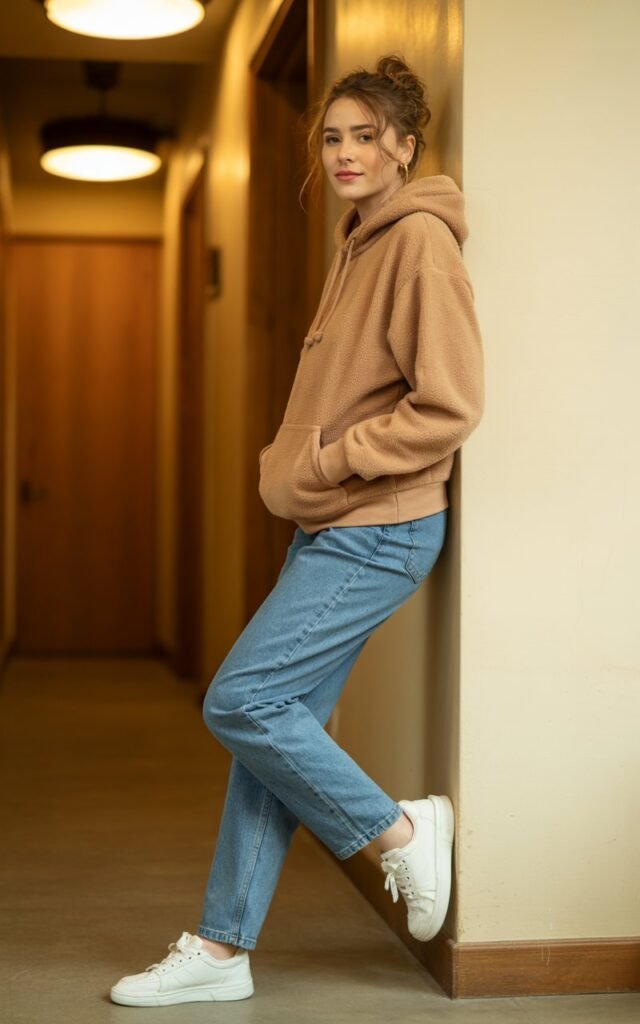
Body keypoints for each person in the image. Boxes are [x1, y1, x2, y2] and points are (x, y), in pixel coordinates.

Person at [110, 53, 484, 1007]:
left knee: (240, 700)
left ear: (406, 146)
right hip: (335, 527)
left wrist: (324, 462)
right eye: (332, 138)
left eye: (367, 136)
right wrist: (303, 472)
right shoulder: (357, 241)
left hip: (381, 529)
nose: (346, 152)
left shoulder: (419, 244)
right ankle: (222, 947)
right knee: (271, 730)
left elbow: (449, 405)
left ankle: (400, 832)